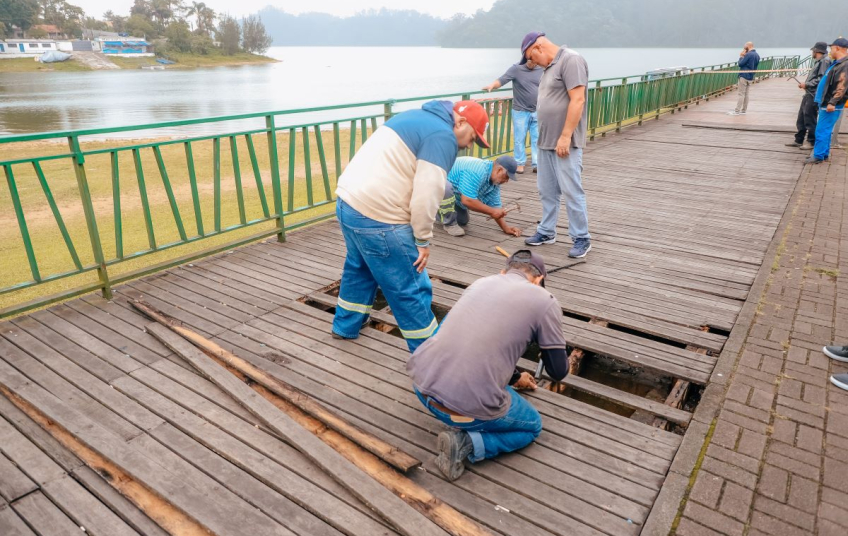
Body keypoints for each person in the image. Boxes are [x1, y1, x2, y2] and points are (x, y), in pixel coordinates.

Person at [332, 99, 490, 352]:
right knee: (410, 287)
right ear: (460, 122)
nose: (470, 145)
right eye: (473, 137)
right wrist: (423, 240)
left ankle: (345, 326)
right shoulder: (442, 137)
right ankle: (430, 357)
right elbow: (427, 195)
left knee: (359, 267)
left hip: (348, 203)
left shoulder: (413, 117)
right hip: (379, 217)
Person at [407, 249, 568, 481]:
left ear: (504, 272)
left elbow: (474, 341)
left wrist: (514, 377)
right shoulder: (545, 300)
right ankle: (466, 443)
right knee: (531, 427)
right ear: (539, 280)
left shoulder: (480, 283)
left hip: (422, 388)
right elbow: (558, 371)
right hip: (464, 412)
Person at [518, 32, 592, 258]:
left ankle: (582, 237)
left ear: (539, 47)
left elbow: (577, 99)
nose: (532, 63)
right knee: (547, 190)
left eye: (531, 57)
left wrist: (565, 136)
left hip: (564, 142)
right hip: (546, 141)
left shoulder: (571, 60)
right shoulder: (549, 67)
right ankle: (547, 231)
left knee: (571, 190)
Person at [483, 60, 543, 174]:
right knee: (519, 139)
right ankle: (520, 164)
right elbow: (502, 80)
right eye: (530, 60)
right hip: (520, 111)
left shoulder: (541, 69)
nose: (533, 63)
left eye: (535, 61)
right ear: (525, 58)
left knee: (537, 139)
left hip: (537, 110)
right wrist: (492, 86)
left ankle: (537, 164)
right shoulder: (516, 69)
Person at [439, 155, 522, 238]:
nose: (507, 181)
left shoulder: (494, 183)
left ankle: (437, 211)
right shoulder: (477, 171)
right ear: (499, 170)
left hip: (455, 194)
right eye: (506, 177)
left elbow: (495, 207)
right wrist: (492, 212)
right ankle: (448, 224)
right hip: (434, 184)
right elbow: (467, 200)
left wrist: (506, 228)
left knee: (462, 220)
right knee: (446, 186)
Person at [805, 38, 847, 165]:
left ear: (838, 48)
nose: (830, 51)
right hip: (827, 101)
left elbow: (842, 85)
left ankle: (817, 156)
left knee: (822, 129)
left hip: (831, 103)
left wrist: (832, 102)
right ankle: (823, 153)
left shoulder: (844, 65)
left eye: (832, 48)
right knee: (826, 129)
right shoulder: (838, 63)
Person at [786, 42, 831, 151]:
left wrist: (807, 84)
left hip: (814, 94)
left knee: (810, 118)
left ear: (817, 51)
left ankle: (811, 141)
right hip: (808, 93)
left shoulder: (824, 61)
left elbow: (822, 79)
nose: (812, 52)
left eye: (813, 50)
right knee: (801, 117)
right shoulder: (819, 61)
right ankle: (799, 139)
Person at [728, 42, 760, 116]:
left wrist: (741, 56)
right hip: (751, 76)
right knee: (747, 94)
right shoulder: (757, 55)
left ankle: (737, 111)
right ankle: (744, 110)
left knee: (741, 94)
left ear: (748, 46)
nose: (744, 48)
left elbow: (740, 64)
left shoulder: (748, 54)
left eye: (745, 46)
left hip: (744, 76)